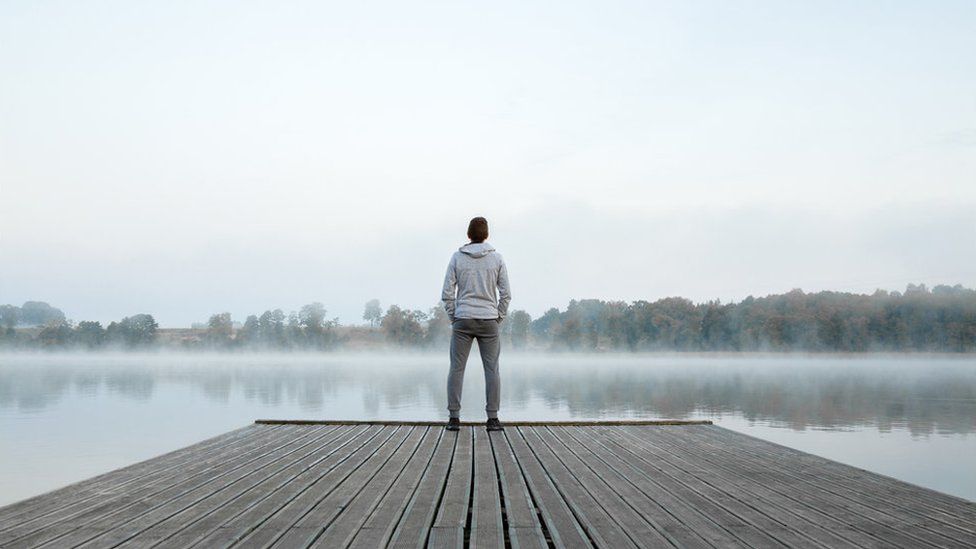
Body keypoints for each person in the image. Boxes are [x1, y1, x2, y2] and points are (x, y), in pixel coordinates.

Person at [441, 217, 511, 431]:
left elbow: (447, 293)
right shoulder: (497, 259)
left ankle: (454, 419)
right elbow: (506, 294)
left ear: (469, 234)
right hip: (489, 320)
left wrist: (455, 316)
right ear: (486, 234)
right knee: (492, 370)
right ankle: (492, 419)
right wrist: (498, 316)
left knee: (456, 368)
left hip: (463, 319)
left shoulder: (456, 258)